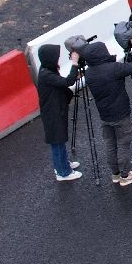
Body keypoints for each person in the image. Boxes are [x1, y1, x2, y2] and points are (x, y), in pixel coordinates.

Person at [66, 34, 132, 187]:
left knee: (111, 144)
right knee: (123, 143)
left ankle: (115, 174)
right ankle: (126, 175)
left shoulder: (89, 73)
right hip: (120, 113)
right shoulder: (113, 68)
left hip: (105, 115)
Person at [34, 44, 81, 183]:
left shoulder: (46, 71)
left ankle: (63, 164)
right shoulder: (47, 75)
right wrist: (74, 63)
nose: (58, 60)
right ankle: (63, 172)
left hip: (54, 111)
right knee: (58, 141)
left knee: (59, 140)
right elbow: (68, 82)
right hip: (53, 113)